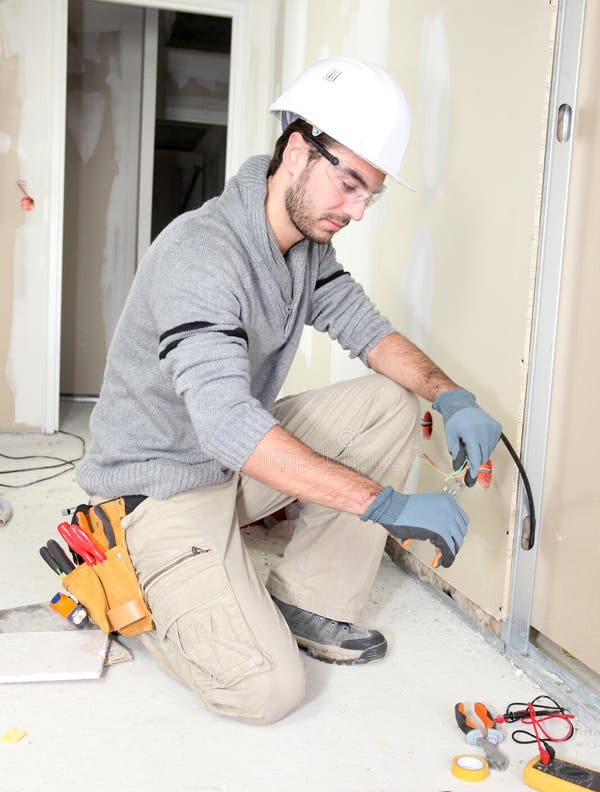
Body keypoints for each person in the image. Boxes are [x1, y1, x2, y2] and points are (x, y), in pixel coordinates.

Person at [77, 58, 501, 725]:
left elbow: (370, 334)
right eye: (350, 184)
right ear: (299, 150)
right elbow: (225, 426)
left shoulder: (302, 250)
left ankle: (309, 601)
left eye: (371, 195)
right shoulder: (203, 254)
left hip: (226, 468)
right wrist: (381, 503)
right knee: (266, 692)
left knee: (392, 400)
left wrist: (453, 396)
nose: (358, 211)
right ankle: (139, 591)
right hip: (158, 493)